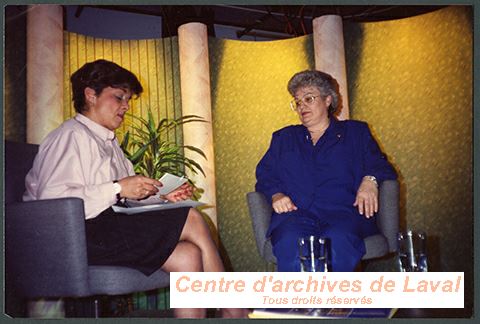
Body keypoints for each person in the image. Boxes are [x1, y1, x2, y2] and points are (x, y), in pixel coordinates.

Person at [23, 59, 246, 318]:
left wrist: (161, 197)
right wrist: (118, 188)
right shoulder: (70, 136)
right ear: (91, 95)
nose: (126, 106)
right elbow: (53, 202)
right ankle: (235, 312)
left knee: (188, 255)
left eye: (127, 99)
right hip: (72, 237)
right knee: (193, 218)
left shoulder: (109, 144)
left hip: (103, 230)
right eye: (119, 97)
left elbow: (124, 199)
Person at [255, 70, 397, 272]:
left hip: (344, 214)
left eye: (308, 98)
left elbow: (382, 165)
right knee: (290, 242)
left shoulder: (356, 133)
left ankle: (332, 303)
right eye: (297, 101)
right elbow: (265, 173)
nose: (301, 105)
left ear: (328, 100)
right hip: (296, 215)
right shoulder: (284, 138)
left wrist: (370, 180)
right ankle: (300, 302)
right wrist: (276, 194)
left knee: (338, 243)